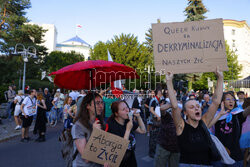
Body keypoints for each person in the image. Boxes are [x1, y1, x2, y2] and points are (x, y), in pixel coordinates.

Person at [166, 67, 224, 166]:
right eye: (192, 107)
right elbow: (175, 106)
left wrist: (220, 78)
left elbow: (216, 102)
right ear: (185, 113)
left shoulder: (203, 123)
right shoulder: (181, 126)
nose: (197, 109)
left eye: (198, 106)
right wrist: (169, 80)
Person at [209, 91, 250, 166]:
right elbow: (208, 130)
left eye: (233, 99)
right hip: (220, 153)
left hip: (235, 155)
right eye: (228, 99)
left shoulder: (237, 114)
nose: (231, 101)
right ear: (222, 102)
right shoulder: (216, 115)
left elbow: (246, 111)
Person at [71, 92, 108, 167]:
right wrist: (95, 133)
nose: (101, 106)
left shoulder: (101, 123)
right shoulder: (78, 126)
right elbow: (86, 157)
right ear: (88, 106)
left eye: (102, 103)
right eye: (97, 103)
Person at [107, 100, 146, 167]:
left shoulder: (128, 120)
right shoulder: (111, 126)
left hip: (131, 159)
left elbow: (143, 131)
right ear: (116, 113)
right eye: (123, 109)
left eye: (127, 107)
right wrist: (128, 130)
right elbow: (120, 149)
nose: (127, 110)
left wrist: (138, 117)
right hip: (120, 162)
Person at [148, 88, 163, 158]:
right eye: (160, 92)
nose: (161, 94)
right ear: (158, 93)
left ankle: (153, 151)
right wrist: (157, 116)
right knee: (153, 138)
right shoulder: (154, 100)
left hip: (156, 121)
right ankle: (151, 152)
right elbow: (151, 110)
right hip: (153, 121)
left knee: (156, 137)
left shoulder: (157, 100)